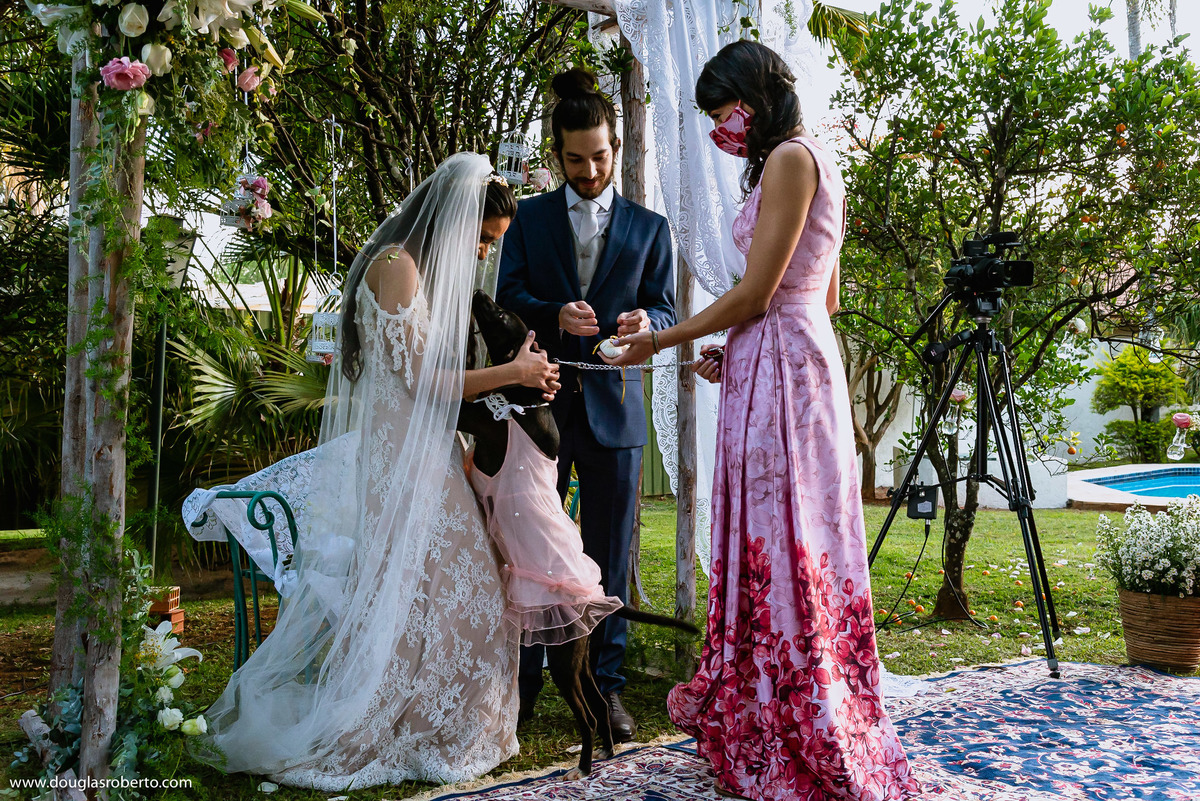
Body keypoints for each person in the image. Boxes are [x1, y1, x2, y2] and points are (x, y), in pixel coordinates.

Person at [603, 41, 920, 801]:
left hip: (783, 376)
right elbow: (822, 297)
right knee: (793, 537)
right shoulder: (816, 158)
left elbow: (755, 293)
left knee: (785, 541)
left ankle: (793, 715)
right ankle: (786, 702)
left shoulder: (789, 161)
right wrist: (734, 349)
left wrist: (660, 339)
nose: (723, 128)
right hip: (789, 360)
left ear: (755, 95)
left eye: (725, 112)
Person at [192, 154, 561, 790]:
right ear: (453, 218)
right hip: (406, 459)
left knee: (445, 588)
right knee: (446, 587)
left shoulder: (411, 267)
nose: (480, 253)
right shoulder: (397, 268)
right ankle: (411, 721)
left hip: (426, 454)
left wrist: (514, 379)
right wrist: (514, 374)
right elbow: (423, 383)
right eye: (481, 237)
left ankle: (435, 718)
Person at [495, 68, 676, 742]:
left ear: (615, 145)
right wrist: (552, 311)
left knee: (607, 552)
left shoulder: (650, 228)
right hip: (538, 410)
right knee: (535, 551)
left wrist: (641, 321)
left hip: (616, 411)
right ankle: (525, 684)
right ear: (556, 155)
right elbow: (507, 296)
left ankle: (608, 690)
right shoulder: (528, 217)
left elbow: (666, 308)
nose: (590, 169)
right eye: (575, 159)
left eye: (600, 156)